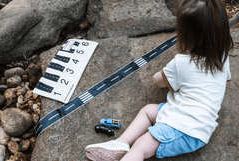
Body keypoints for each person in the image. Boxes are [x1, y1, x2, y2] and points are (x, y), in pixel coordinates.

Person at [84, 0, 234, 160]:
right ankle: (121, 142)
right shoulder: (222, 57)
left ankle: (128, 149)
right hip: (198, 126)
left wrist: (166, 74)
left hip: (181, 127)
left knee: (140, 147)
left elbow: (158, 81)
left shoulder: (181, 63)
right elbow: (224, 79)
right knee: (149, 110)